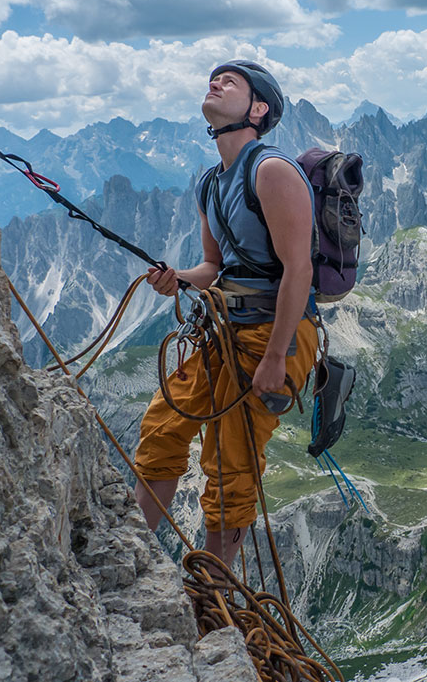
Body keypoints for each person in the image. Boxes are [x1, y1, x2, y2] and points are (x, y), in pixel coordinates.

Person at [132, 60, 318, 568]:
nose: (215, 82)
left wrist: (276, 357)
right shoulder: (211, 184)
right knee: (163, 426)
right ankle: (128, 559)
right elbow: (214, 266)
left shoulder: (272, 171)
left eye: (230, 81)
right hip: (227, 330)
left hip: (277, 335)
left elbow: (297, 271)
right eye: (213, 78)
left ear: (258, 109)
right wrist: (176, 277)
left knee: (231, 461)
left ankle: (212, 591)